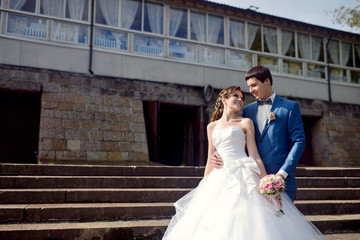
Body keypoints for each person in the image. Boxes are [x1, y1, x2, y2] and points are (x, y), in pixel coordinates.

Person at [162, 86, 324, 240]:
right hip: (220, 176)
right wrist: (203, 187)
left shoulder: (246, 122)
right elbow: (210, 158)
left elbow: (255, 156)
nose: (240, 99)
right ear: (224, 99)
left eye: (242, 97)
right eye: (236, 96)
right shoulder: (211, 126)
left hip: (245, 173)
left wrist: (267, 184)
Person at [210, 66, 305, 201]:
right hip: (250, 180)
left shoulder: (290, 107)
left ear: (266, 81)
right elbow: (236, 138)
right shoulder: (248, 110)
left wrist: (282, 174)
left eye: (254, 85)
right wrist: (216, 154)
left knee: (282, 220)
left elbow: (298, 142)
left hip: (280, 180)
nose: (251, 90)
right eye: (249, 86)